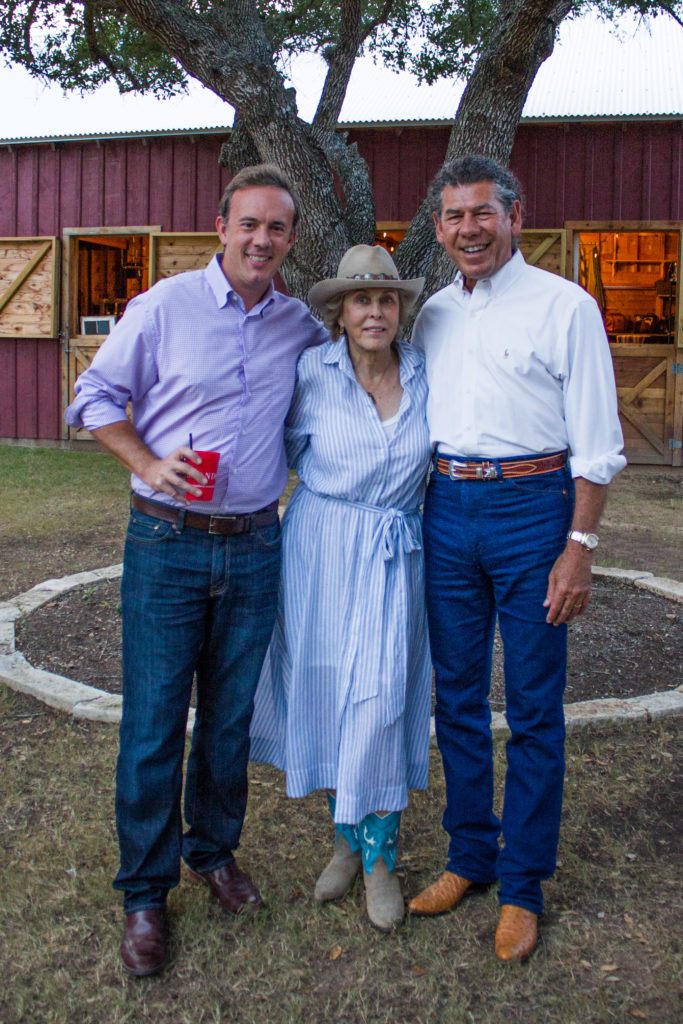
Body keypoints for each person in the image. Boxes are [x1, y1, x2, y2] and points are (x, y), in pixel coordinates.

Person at [65, 164, 328, 977]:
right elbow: (92, 396)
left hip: (254, 544)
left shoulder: (298, 325)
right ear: (221, 227)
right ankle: (144, 894)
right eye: (248, 224)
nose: (261, 240)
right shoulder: (164, 307)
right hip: (167, 541)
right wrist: (145, 458)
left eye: (276, 228)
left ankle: (212, 853)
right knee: (151, 727)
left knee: (226, 722)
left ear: (288, 239)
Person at [408, 155, 626, 960]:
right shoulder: (430, 314)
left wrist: (578, 548)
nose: (468, 228)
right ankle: (470, 855)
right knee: (455, 696)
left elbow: (596, 446)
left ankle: (523, 882)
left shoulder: (564, 307)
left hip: (533, 511)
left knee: (533, 705)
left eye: (482, 213)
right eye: (454, 217)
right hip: (445, 507)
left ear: (514, 217)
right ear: (438, 227)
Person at [249, 245, 432, 931]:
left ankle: (381, 858)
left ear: (399, 309)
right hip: (320, 547)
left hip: (394, 552)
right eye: (361, 299)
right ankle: (344, 841)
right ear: (339, 311)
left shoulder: (424, 372)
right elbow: (271, 446)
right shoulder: (308, 373)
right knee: (325, 690)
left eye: (386, 299)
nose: (375, 311)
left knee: (382, 697)